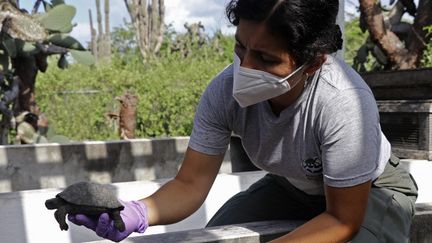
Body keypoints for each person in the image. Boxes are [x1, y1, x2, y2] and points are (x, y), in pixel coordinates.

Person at [68, 0, 418, 242]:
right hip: (294, 187)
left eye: (265, 58)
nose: (245, 68)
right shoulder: (224, 91)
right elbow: (190, 184)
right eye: (241, 48)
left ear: (312, 62)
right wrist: (135, 213)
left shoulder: (342, 102)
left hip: (370, 193)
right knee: (216, 237)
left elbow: (343, 220)